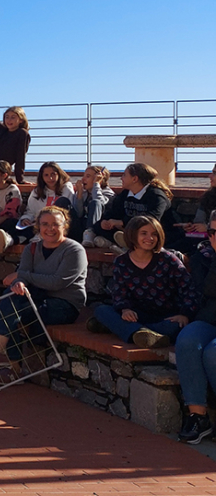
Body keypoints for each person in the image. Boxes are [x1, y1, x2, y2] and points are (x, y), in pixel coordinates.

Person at [0, 206, 88, 380]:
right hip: (36, 296)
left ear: (64, 225)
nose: (50, 229)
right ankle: (2, 354)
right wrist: (19, 282)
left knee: (15, 313)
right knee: (10, 299)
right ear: (38, 226)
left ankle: (9, 363)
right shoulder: (32, 248)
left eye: (55, 224)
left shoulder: (74, 250)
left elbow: (57, 282)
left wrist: (22, 276)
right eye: (45, 224)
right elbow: (24, 276)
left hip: (63, 304)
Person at [90, 215, 195, 348]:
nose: (149, 238)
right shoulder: (121, 262)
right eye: (144, 233)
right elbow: (119, 292)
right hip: (137, 313)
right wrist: (125, 309)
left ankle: (126, 330)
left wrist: (184, 314)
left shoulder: (168, 259)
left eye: (154, 234)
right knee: (101, 310)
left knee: (176, 327)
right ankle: (141, 333)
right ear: (132, 235)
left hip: (167, 316)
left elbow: (188, 288)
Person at [175, 213, 216, 444]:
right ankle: (198, 417)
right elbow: (205, 291)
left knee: (213, 353)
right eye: (210, 232)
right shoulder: (204, 256)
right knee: (188, 340)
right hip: (209, 319)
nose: (213, 237)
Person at [93, 162, 175, 252]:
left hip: (154, 233)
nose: (121, 178)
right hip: (127, 230)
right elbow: (114, 212)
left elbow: (152, 218)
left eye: (124, 175)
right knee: (98, 227)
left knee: (144, 232)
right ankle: (126, 244)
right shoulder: (125, 194)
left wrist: (122, 222)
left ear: (134, 179)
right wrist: (105, 222)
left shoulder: (156, 195)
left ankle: (126, 246)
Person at [17, 162, 75, 238]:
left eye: (53, 174)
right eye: (46, 175)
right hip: (41, 226)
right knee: (18, 227)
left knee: (62, 201)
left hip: (63, 227)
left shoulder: (66, 188)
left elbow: (69, 210)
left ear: (59, 174)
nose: (50, 178)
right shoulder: (37, 191)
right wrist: (26, 219)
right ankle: (8, 240)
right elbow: (31, 211)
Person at [72, 165, 113, 246]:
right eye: (83, 176)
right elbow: (79, 213)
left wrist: (96, 184)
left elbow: (100, 202)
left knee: (95, 202)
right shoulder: (84, 193)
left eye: (88, 176)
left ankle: (90, 234)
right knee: (64, 201)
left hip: (98, 228)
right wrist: (79, 194)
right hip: (82, 228)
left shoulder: (108, 193)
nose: (83, 179)